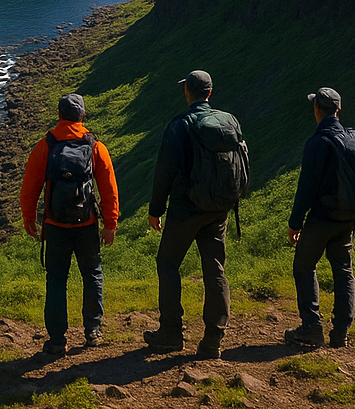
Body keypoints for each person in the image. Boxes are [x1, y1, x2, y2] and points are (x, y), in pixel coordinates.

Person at [145, 70, 247, 359]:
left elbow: (164, 172)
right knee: (214, 267)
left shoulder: (180, 126)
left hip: (187, 208)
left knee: (167, 263)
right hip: (220, 207)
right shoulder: (229, 121)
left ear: (188, 92)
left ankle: (170, 334)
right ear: (210, 94)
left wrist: (156, 210)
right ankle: (214, 337)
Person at [20, 92, 120, 355]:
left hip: (55, 226)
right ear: (83, 116)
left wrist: (29, 218)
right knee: (92, 274)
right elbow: (108, 188)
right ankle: (93, 332)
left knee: (56, 280)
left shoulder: (46, 145)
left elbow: (30, 187)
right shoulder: (95, 147)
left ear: (59, 115)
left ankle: (56, 341)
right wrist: (110, 224)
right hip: (87, 224)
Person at [286, 87, 355, 349]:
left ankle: (311, 328)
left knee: (304, 265)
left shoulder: (317, 143)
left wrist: (295, 223)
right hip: (348, 218)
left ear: (317, 110)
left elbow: (306, 188)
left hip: (322, 218)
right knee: (344, 270)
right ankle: (341, 332)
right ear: (339, 110)